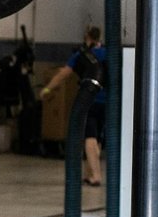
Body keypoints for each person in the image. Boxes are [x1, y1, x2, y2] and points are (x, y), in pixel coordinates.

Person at [40, 25, 109, 186]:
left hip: (89, 100)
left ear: (87, 37)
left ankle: (96, 176)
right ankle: (89, 173)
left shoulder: (80, 55)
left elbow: (63, 74)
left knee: (89, 138)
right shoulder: (107, 53)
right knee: (97, 139)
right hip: (106, 102)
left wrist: (48, 88)